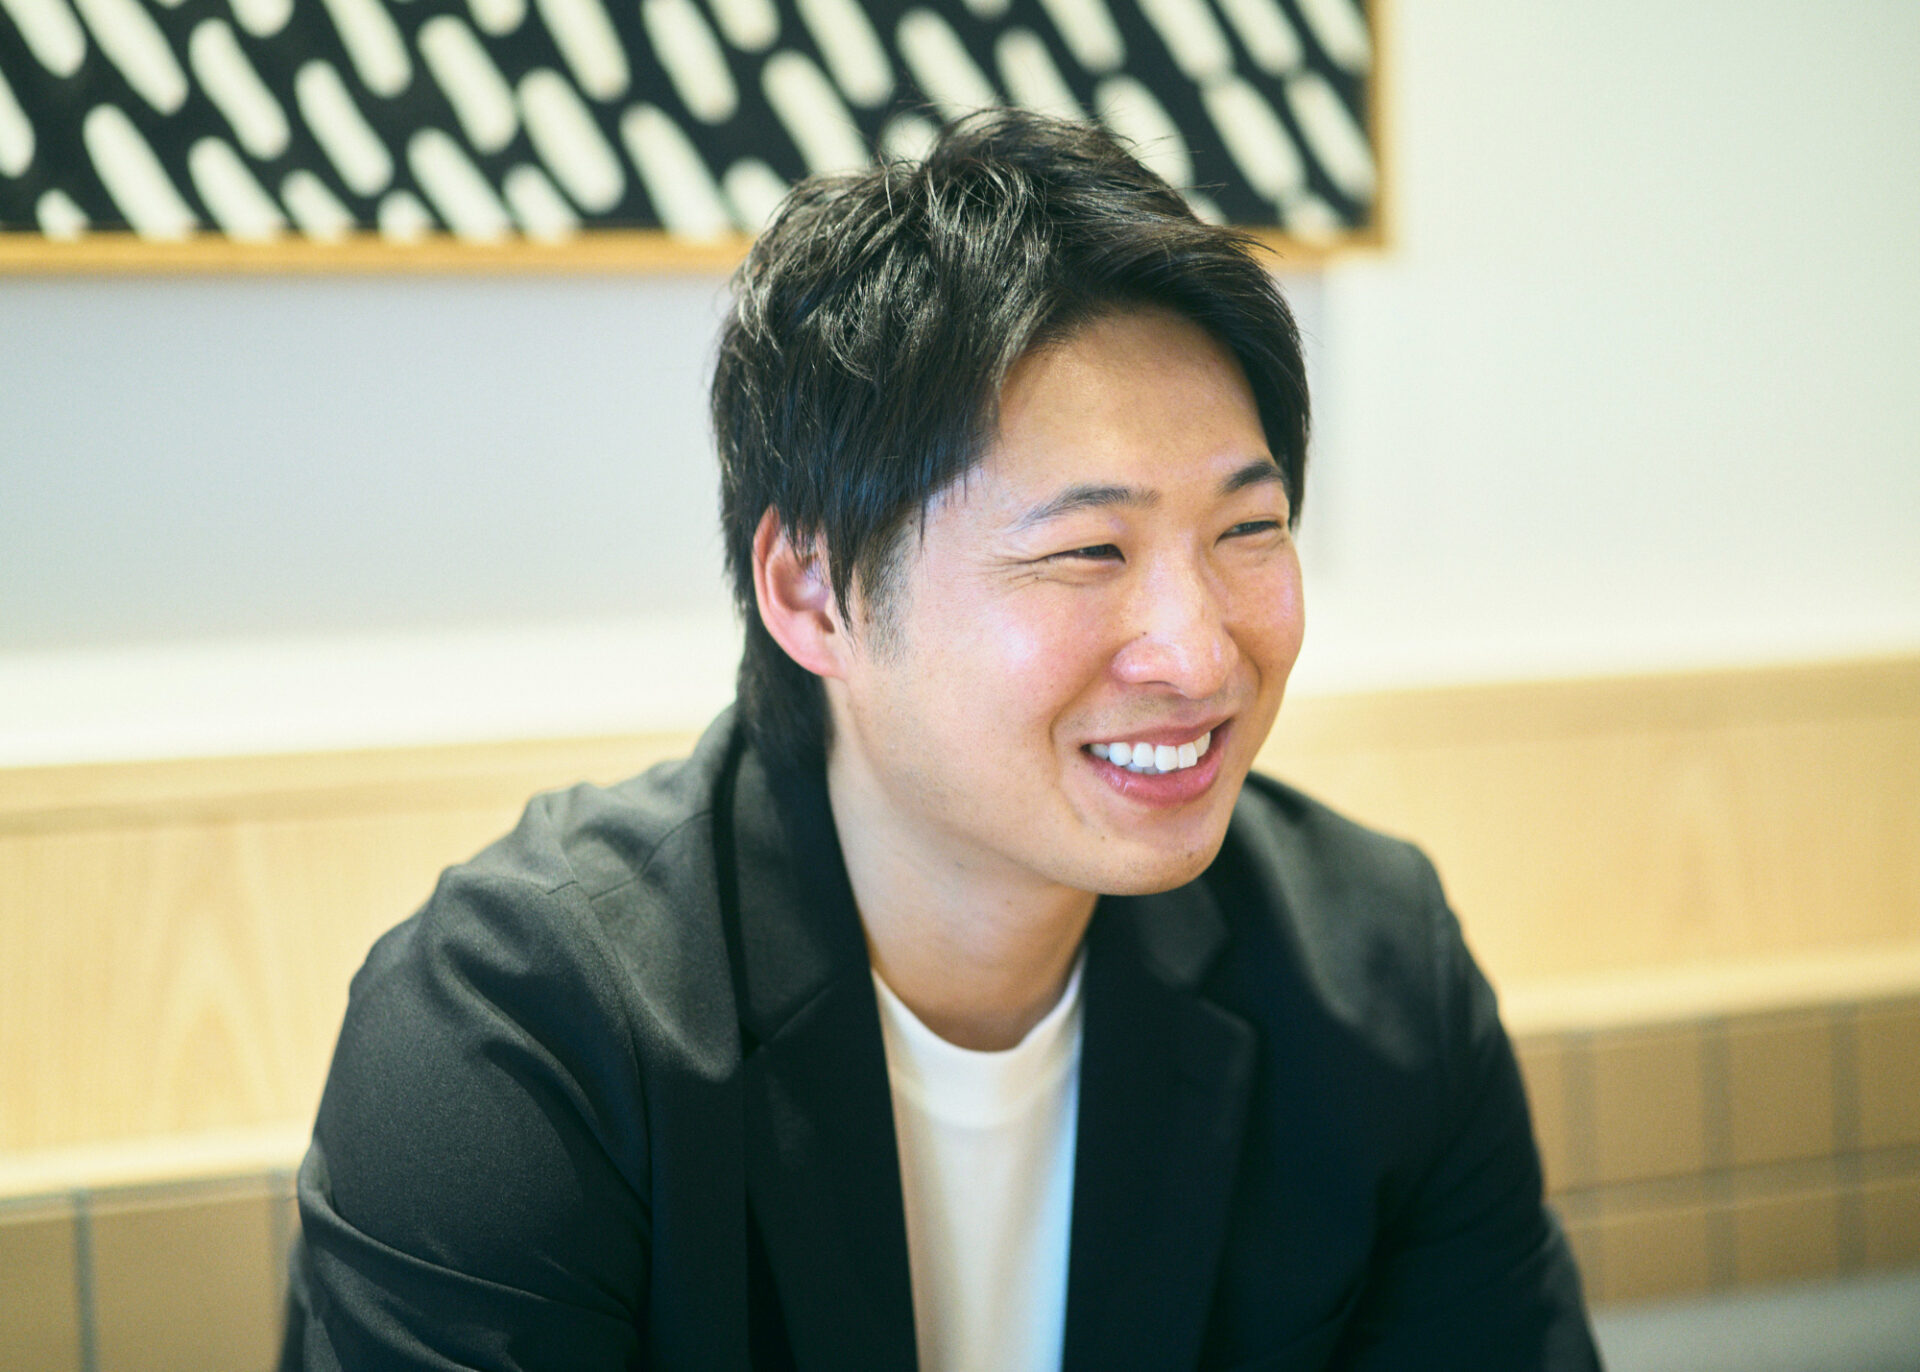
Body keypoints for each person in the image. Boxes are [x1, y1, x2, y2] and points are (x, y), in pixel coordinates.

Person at [281, 110, 1600, 1370]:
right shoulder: (522, 1032)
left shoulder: (1373, 981)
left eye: (1248, 531)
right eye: (1088, 550)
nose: (1200, 656)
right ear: (813, 591)